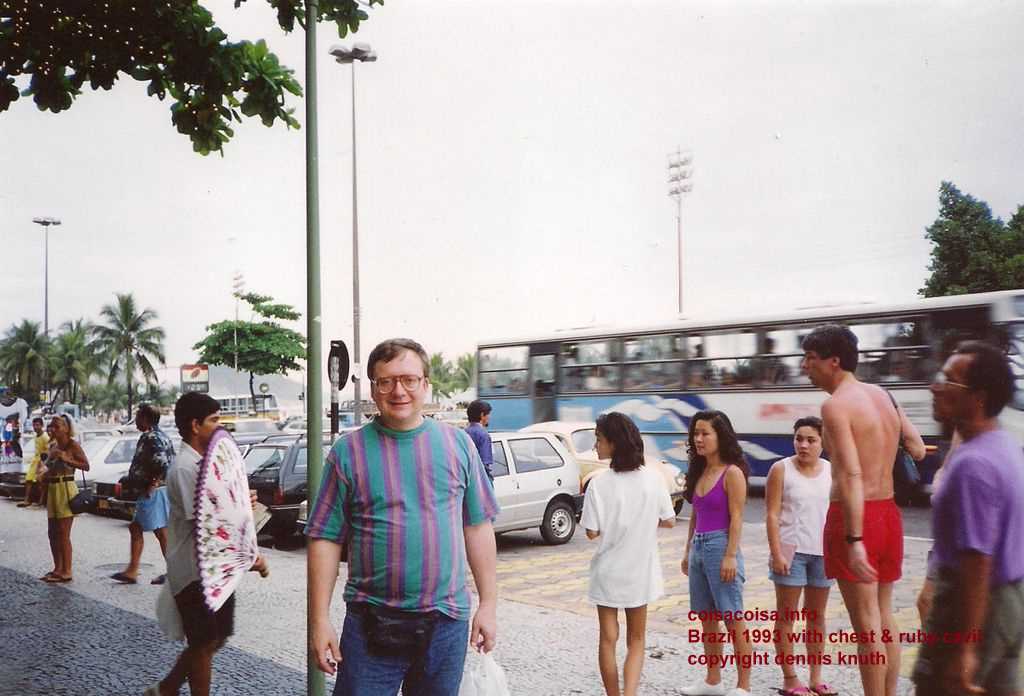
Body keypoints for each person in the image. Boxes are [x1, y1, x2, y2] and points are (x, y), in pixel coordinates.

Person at [307, 338, 499, 696]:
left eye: (409, 379)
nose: (399, 390)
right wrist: (318, 621)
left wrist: (488, 604)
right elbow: (325, 539)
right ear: (373, 389)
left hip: (446, 625)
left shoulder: (459, 445)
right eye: (386, 381)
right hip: (370, 627)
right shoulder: (347, 453)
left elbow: (477, 526)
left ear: (426, 385)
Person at [801, 324, 925, 696]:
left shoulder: (835, 404)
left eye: (810, 358)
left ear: (833, 361)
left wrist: (854, 538)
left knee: (866, 625)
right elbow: (917, 447)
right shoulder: (884, 395)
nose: (805, 366)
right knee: (883, 617)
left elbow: (852, 473)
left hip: (855, 518)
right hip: (888, 514)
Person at [912, 341, 1024, 696]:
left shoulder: (973, 464)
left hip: (971, 605)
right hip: (1010, 600)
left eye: (948, 380)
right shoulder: (1003, 445)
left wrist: (966, 647)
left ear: (977, 397)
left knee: (940, 686)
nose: (935, 386)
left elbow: (977, 560)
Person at [146, 392, 267, 696]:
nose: (220, 427)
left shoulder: (204, 464)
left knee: (216, 638)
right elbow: (209, 522)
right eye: (214, 420)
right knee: (203, 643)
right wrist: (251, 555)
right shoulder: (186, 468)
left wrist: (242, 501)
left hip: (211, 572)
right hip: (193, 571)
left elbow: (222, 508)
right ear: (195, 425)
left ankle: (167, 687)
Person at [581, 412, 676, 696]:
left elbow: (591, 532)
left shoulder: (598, 482)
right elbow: (670, 520)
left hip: (608, 573)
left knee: (608, 639)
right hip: (640, 572)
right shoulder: (653, 479)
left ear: (614, 443)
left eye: (598, 439)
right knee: (637, 639)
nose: (595, 446)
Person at [679, 410, 754, 696]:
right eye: (695, 434)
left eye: (705, 433)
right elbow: (696, 516)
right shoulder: (700, 471)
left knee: (733, 617)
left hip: (721, 547)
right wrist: (687, 552)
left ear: (720, 436)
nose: (698, 439)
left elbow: (737, 517)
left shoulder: (732, 473)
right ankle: (712, 681)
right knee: (706, 618)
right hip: (699, 547)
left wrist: (731, 555)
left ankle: (743, 686)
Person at [765, 417, 835, 696]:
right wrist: (776, 551)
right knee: (787, 616)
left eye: (811, 440)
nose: (803, 445)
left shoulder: (832, 470)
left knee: (817, 616)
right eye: (798, 439)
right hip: (790, 551)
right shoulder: (780, 469)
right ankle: (790, 678)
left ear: (822, 442)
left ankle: (816, 678)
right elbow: (771, 513)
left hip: (823, 553)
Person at [111, 404, 175, 585]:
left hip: (153, 492)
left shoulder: (150, 437)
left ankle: (134, 570)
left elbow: (162, 463)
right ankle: (169, 571)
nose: (136, 420)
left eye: (138, 416)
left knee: (146, 529)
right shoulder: (161, 435)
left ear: (146, 418)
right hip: (160, 490)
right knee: (156, 530)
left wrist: (152, 484)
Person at [41, 414, 89, 583]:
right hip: (53, 488)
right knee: (52, 532)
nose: (52, 429)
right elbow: (46, 468)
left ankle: (67, 570)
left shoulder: (72, 444)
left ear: (67, 428)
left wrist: (67, 458)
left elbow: (86, 465)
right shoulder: (53, 445)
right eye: (51, 426)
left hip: (66, 487)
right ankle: (57, 568)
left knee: (63, 533)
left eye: (57, 426)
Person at [17, 416, 47, 507]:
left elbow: (46, 451)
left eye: (37, 425)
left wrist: (42, 464)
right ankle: (27, 499)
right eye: (34, 425)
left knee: (41, 482)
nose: (35, 427)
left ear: (42, 425)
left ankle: (41, 500)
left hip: (42, 461)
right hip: (35, 460)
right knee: (29, 480)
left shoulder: (45, 437)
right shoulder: (36, 436)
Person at [465, 399, 494, 480]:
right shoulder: (483, 435)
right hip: (480, 481)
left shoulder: (462, 433)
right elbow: (485, 464)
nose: (489, 417)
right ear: (482, 415)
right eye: (488, 414)